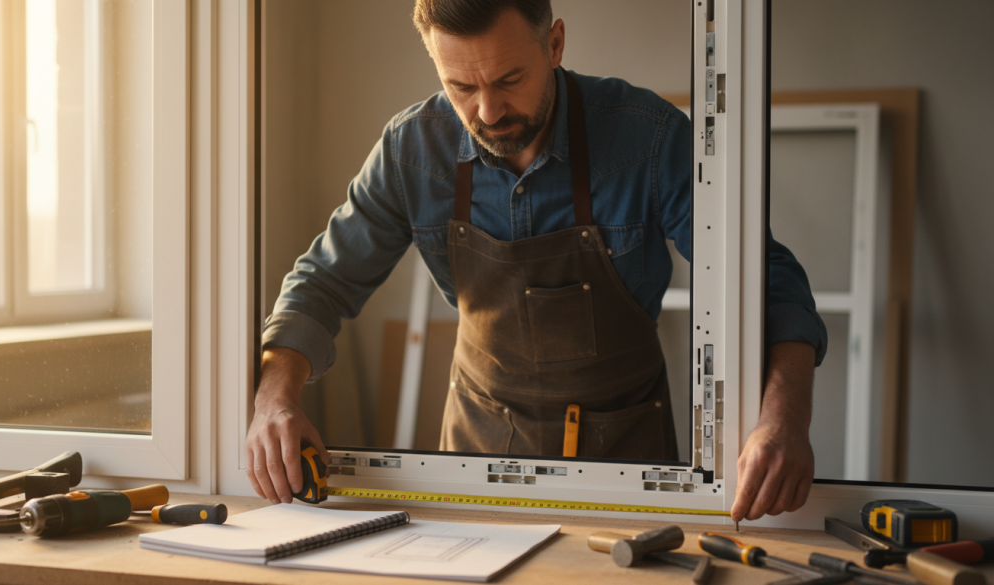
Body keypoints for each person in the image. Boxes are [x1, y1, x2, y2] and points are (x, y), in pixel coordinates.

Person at [246, 0, 827, 524]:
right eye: (460, 87)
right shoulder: (410, 152)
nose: (489, 111)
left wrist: (783, 418)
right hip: (476, 465)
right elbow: (322, 282)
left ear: (554, 44)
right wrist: (276, 396)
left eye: (509, 79)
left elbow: (766, 282)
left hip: (628, 464)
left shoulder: (647, 140)